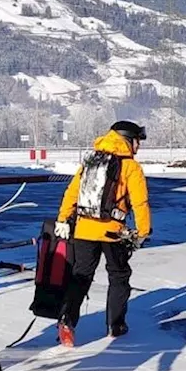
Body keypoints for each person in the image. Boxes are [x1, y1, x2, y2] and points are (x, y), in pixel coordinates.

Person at [53, 120, 151, 347]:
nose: (139, 146)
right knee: (118, 275)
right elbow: (140, 202)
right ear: (128, 140)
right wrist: (143, 232)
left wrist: (62, 218)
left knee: (80, 276)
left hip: (84, 230)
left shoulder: (91, 161)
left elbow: (72, 193)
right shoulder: (130, 167)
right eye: (137, 141)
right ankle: (115, 325)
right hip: (113, 232)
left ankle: (67, 319)